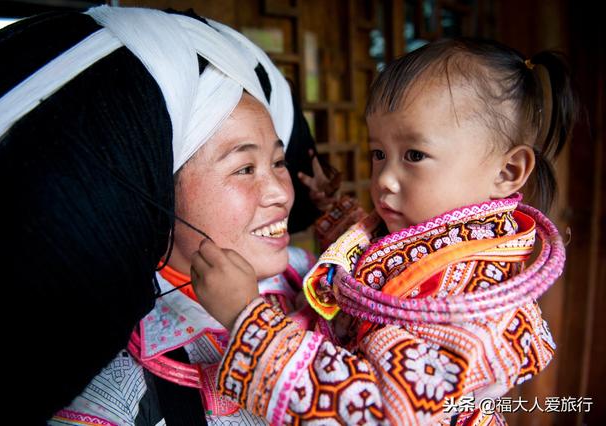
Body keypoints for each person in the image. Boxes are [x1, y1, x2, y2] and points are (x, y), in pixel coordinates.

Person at [0, 6, 331, 424]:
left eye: (279, 163)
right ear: (161, 188)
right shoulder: (116, 387)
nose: (279, 193)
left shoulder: (320, 280)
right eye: (244, 168)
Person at [194, 38, 575, 425]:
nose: (385, 180)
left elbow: (382, 410)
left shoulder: (481, 306)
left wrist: (248, 320)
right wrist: (334, 207)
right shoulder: (437, 237)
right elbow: (379, 258)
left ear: (506, 172)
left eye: (414, 155)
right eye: (379, 154)